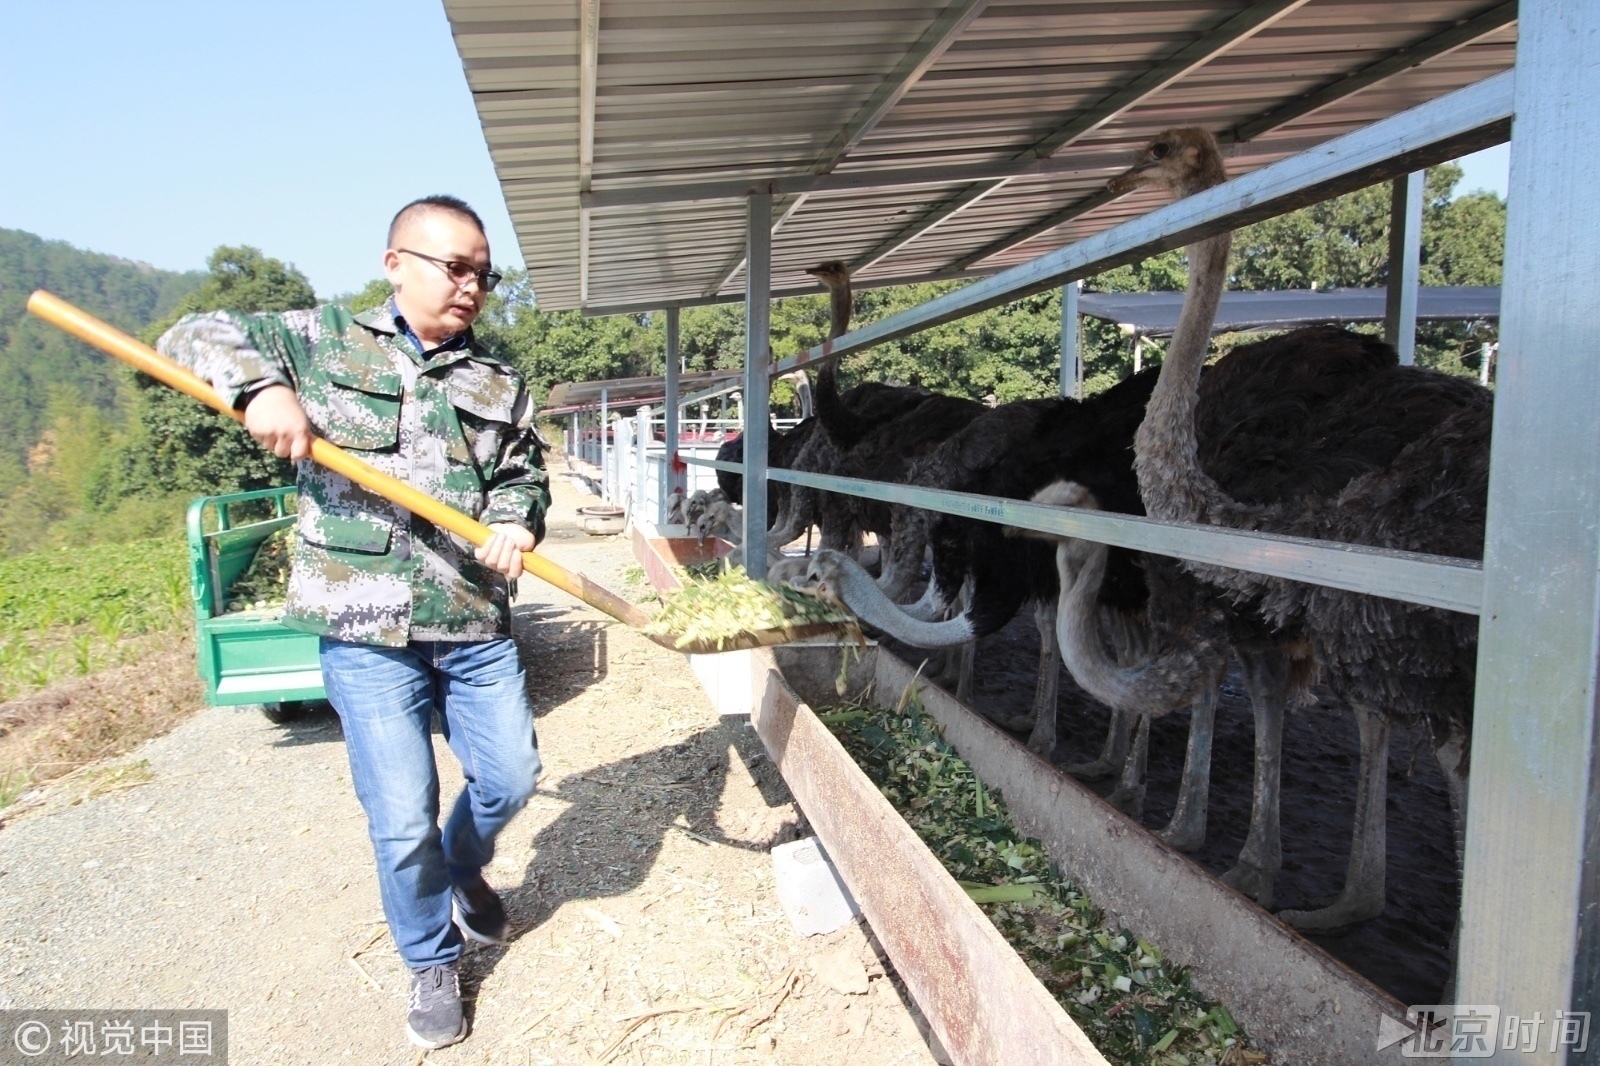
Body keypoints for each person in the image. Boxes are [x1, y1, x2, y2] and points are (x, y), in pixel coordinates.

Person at [159, 195, 549, 1050]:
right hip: (365, 624)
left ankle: (463, 868)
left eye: (483, 274)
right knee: (401, 812)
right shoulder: (319, 339)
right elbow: (191, 332)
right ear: (395, 263)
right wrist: (261, 389)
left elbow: (523, 474)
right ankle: (430, 960)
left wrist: (519, 519)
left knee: (512, 777)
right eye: (456, 267)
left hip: (472, 620)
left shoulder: (498, 380)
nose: (472, 287)